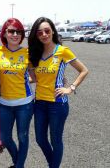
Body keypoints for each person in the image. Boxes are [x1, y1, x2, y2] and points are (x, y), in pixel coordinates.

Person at [28, 17, 89, 168]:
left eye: (47, 31)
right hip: (39, 103)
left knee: (56, 140)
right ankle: (53, 164)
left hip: (57, 104)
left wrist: (71, 88)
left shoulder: (62, 51)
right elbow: (34, 79)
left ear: (53, 31)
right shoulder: (36, 53)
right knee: (40, 139)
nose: (44, 34)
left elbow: (84, 70)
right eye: (40, 32)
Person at [0, 18, 34, 168]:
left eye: (19, 31)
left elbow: (35, 76)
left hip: (24, 104)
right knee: (5, 138)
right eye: (11, 31)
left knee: (22, 137)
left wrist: (20, 79)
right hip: (5, 104)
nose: (15, 34)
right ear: (4, 33)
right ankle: (18, 162)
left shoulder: (27, 53)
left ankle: (19, 166)